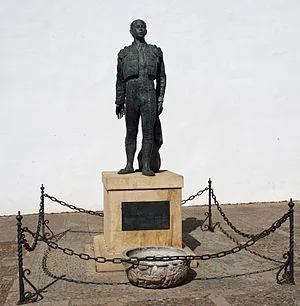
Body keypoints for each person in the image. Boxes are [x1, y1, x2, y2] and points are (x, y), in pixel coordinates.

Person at [115, 19, 166, 176]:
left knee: (148, 132)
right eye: (137, 27)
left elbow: (162, 78)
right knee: (131, 132)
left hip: (149, 94)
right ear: (131, 31)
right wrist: (119, 102)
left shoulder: (155, 52)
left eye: (143, 26)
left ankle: (146, 165)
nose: (141, 29)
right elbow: (120, 80)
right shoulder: (124, 54)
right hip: (131, 94)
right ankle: (129, 164)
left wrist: (160, 99)